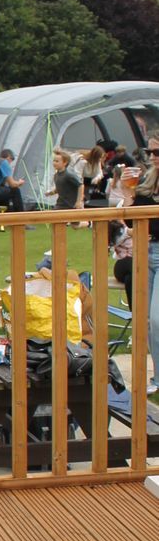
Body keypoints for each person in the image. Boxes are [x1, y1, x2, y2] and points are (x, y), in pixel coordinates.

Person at [118, 134, 159, 395]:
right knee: (148, 321)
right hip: (147, 251)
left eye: (157, 152)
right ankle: (158, 377)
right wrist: (127, 192)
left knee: (156, 319)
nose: (153, 157)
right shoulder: (149, 183)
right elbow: (133, 222)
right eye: (151, 152)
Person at [0, 149, 26, 213]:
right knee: (15, 190)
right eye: (11, 159)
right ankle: (20, 215)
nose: (10, 163)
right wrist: (19, 182)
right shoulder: (3, 162)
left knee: (5, 192)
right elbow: (12, 184)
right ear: (8, 157)